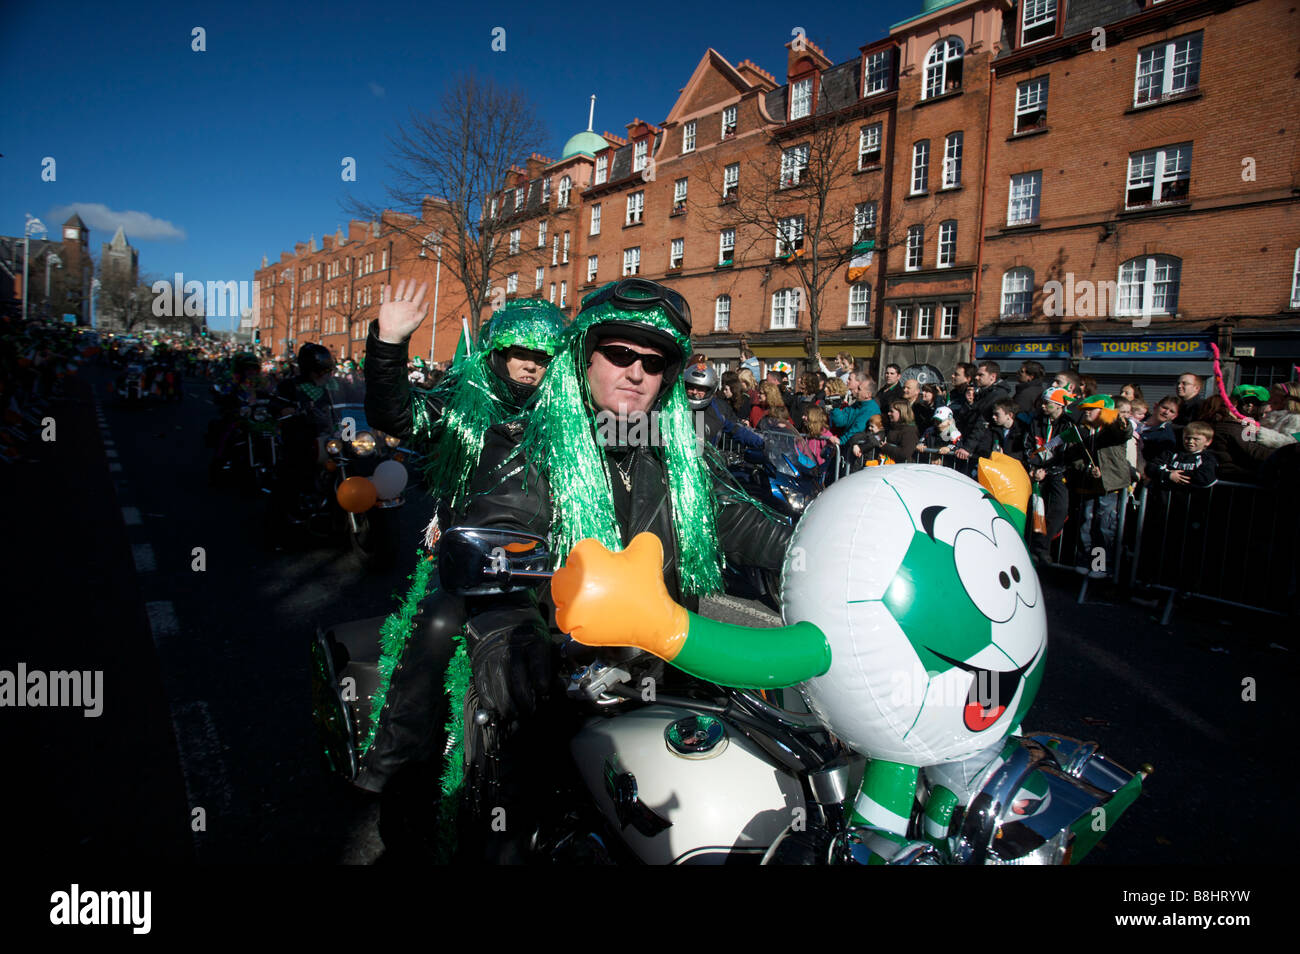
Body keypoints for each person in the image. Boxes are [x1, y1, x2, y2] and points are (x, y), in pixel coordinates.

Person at [454, 279, 791, 859]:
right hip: (568, 679)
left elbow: (744, 523)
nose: (636, 372)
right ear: (585, 358)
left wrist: (827, 550)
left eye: (653, 362)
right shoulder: (525, 450)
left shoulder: (679, 457)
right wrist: (512, 639)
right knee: (515, 829)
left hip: (677, 663)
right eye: (619, 354)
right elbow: (500, 565)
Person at [354, 288, 568, 800]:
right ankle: (396, 757)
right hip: (467, 569)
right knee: (439, 621)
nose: (531, 366)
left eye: (542, 357)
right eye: (521, 353)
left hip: (548, 572)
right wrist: (389, 343)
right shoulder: (461, 405)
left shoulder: (570, 422)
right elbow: (395, 416)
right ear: (496, 351)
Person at [1063, 394, 1133, 578]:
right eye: (1085, 410)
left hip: (1110, 487)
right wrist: (1087, 470)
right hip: (1088, 486)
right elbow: (1075, 458)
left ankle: (1100, 565)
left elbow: (1124, 432)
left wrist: (1117, 418)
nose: (1086, 413)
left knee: (1104, 528)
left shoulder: (1111, 429)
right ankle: (1086, 560)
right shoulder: (1081, 431)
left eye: (1091, 410)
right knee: (1086, 525)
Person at [1023, 387, 1072, 563]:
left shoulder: (1068, 424)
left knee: (1059, 510)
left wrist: (1048, 471)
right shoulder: (1036, 422)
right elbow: (1028, 446)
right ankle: (1035, 550)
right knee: (1036, 512)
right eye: (1042, 402)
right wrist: (1034, 468)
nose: (1043, 406)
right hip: (1036, 473)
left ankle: (1042, 547)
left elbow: (1066, 453)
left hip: (1058, 474)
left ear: (1059, 406)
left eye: (1047, 403)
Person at [1145, 421, 1218, 489]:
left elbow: (1205, 477)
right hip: (1164, 499)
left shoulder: (1208, 458)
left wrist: (1172, 473)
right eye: (1187, 438)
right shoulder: (1171, 453)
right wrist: (1169, 475)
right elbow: (1150, 467)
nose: (1190, 441)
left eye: (1196, 439)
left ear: (1208, 442)